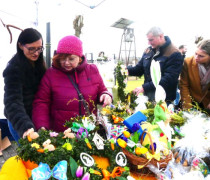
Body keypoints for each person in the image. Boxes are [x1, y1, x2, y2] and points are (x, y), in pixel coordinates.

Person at [32, 35, 112, 132]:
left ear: (80, 57)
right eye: (62, 59)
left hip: (89, 131)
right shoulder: (51, 74)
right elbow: (41, 102)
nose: (66, 63)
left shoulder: (92, 70)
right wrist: (42, 126)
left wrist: (106, 95)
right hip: (62, 134)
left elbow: (102, 90)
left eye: (71, 59)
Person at [3, 28, 46, 142]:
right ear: (21, 46)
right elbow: (12, 102)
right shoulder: (13, 69)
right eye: (31, 49)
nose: (36, 53)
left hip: (37, 117)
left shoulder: (40, 64)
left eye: (39, 48)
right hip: (20, 121)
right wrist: (25, 127)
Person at [127, 26, 184, 104]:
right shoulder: (148, 51)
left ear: (161, 36)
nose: (149, 43)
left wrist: (145, 87)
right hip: (148, 96)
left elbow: (168, 78)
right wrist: (126, 70)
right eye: (148, 40)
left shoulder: (174, 53)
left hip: (164, 99)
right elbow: (139, 69)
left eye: (151, 40)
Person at [180, 39, 210, 111]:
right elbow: (184, 85)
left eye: (201, 56)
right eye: (195, 54)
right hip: (192, 102)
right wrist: (187, 107)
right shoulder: (188, 62)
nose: (196, 58)